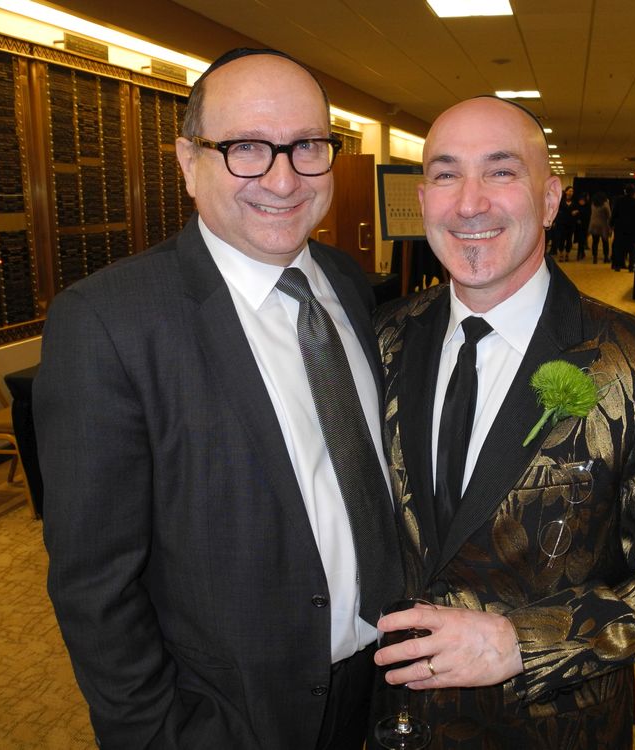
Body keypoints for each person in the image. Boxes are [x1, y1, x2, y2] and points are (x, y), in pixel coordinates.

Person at [34, 48, 402, 750]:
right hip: (235, 714)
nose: (284, 177)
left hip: (381, 684)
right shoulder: (108, 323)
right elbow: (94, 585)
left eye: (307, 147)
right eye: (246, 149)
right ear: (187, 161)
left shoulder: (347, 282)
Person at [372, 96, 635, 749]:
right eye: (447, 174)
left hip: (549, 729)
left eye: (501, 172)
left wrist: (523, 642)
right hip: (393, 720)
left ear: (550, 199)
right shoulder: (382, 339)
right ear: (423, 197)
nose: (469, 202)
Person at [610, 183, 635, 271]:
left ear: (625, 191)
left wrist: (611, 224)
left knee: (619, 247)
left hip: (620, 227)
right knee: (632, 248)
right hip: (632, 228)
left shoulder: (619, 200)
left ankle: (617, 266)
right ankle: (631, 266)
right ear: (633, 192)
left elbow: (614, 213)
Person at [587, 190, 611, 264]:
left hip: (594, 224)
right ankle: (606, 257)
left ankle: (595, 258)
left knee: (595, 242)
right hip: (603, 225)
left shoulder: (593, 204)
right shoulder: (605, 204)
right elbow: (609, 215)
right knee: (605, 242)